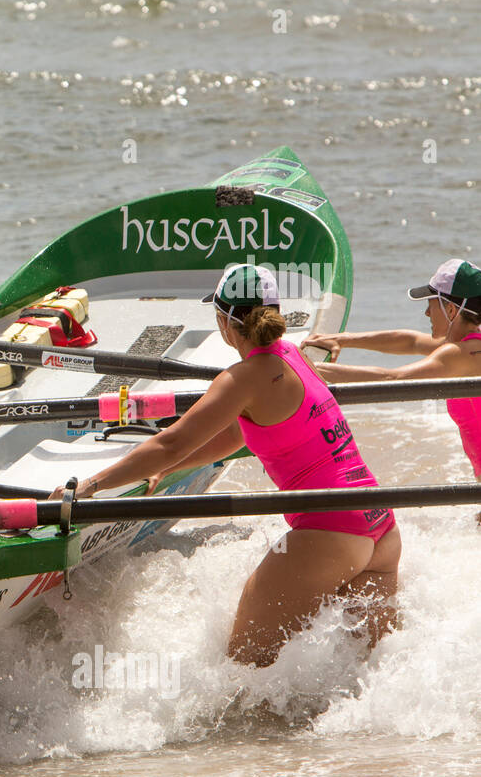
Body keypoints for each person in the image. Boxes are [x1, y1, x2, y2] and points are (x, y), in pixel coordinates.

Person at [52, 264, 400, 667]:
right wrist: (166, 470)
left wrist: (90, 485)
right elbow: (238, 435)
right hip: (380, 524)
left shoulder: (240, 379)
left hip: (331, 532)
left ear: (224, 321)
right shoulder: (294, 356)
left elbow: (171, 441)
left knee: (244, 671)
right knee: (362, 678)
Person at [303, 258, 481, 485]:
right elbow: (411, 341)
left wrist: (313, 370)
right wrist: (342, 339)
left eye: (431, 303)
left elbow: (393, 378)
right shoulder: (468, 344)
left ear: (450, 309)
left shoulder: (464, 355)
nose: (427, 313)